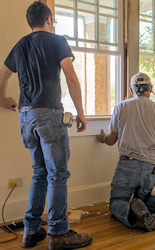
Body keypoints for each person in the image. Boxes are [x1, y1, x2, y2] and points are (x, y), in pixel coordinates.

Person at [0, 2, 92, 249]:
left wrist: (1, 98)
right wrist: (81, 112)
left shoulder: (20, 45)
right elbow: (71, 77)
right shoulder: (57, 41)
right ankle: (59, 232)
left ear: (31, 22)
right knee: (58, 174)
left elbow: (2, 74)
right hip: (49, 115)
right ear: (49, 19)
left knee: (39, 172)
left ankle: (30, 231)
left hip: (26, 116)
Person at [97, 72, 155, 231]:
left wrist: (102, 138)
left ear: (132, 90)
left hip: (128, 166)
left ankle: (134, 213)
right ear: (151, 89)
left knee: (117, 202)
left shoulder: (121, 107)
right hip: (150, 169)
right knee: (144, 199)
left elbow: (111, 140)